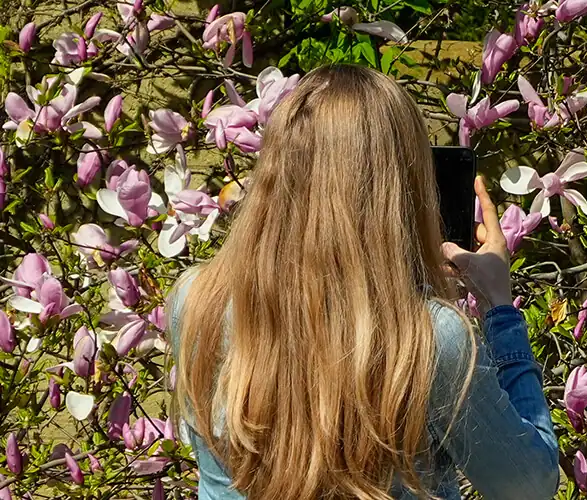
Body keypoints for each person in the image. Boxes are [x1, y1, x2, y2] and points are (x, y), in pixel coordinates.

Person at [167, 64, 560, 500]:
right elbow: (528, 487)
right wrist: (499, 309)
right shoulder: (428, 340)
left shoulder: (195, 298)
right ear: (404, 187)